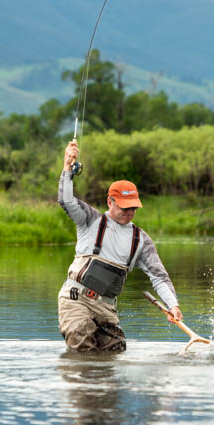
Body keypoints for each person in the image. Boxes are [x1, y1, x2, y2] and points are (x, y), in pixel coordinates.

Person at [57, 139, 183, 351]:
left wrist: (173, 305)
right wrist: (67, 167)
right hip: (76, 300)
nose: (129, 212)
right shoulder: (89, 219)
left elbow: (159, 277)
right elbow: (66, 200)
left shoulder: (141, 240)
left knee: (115, 353)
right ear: (110, 202)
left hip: (107, 308)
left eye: (133, 207)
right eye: (124, 207)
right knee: (83, 348)